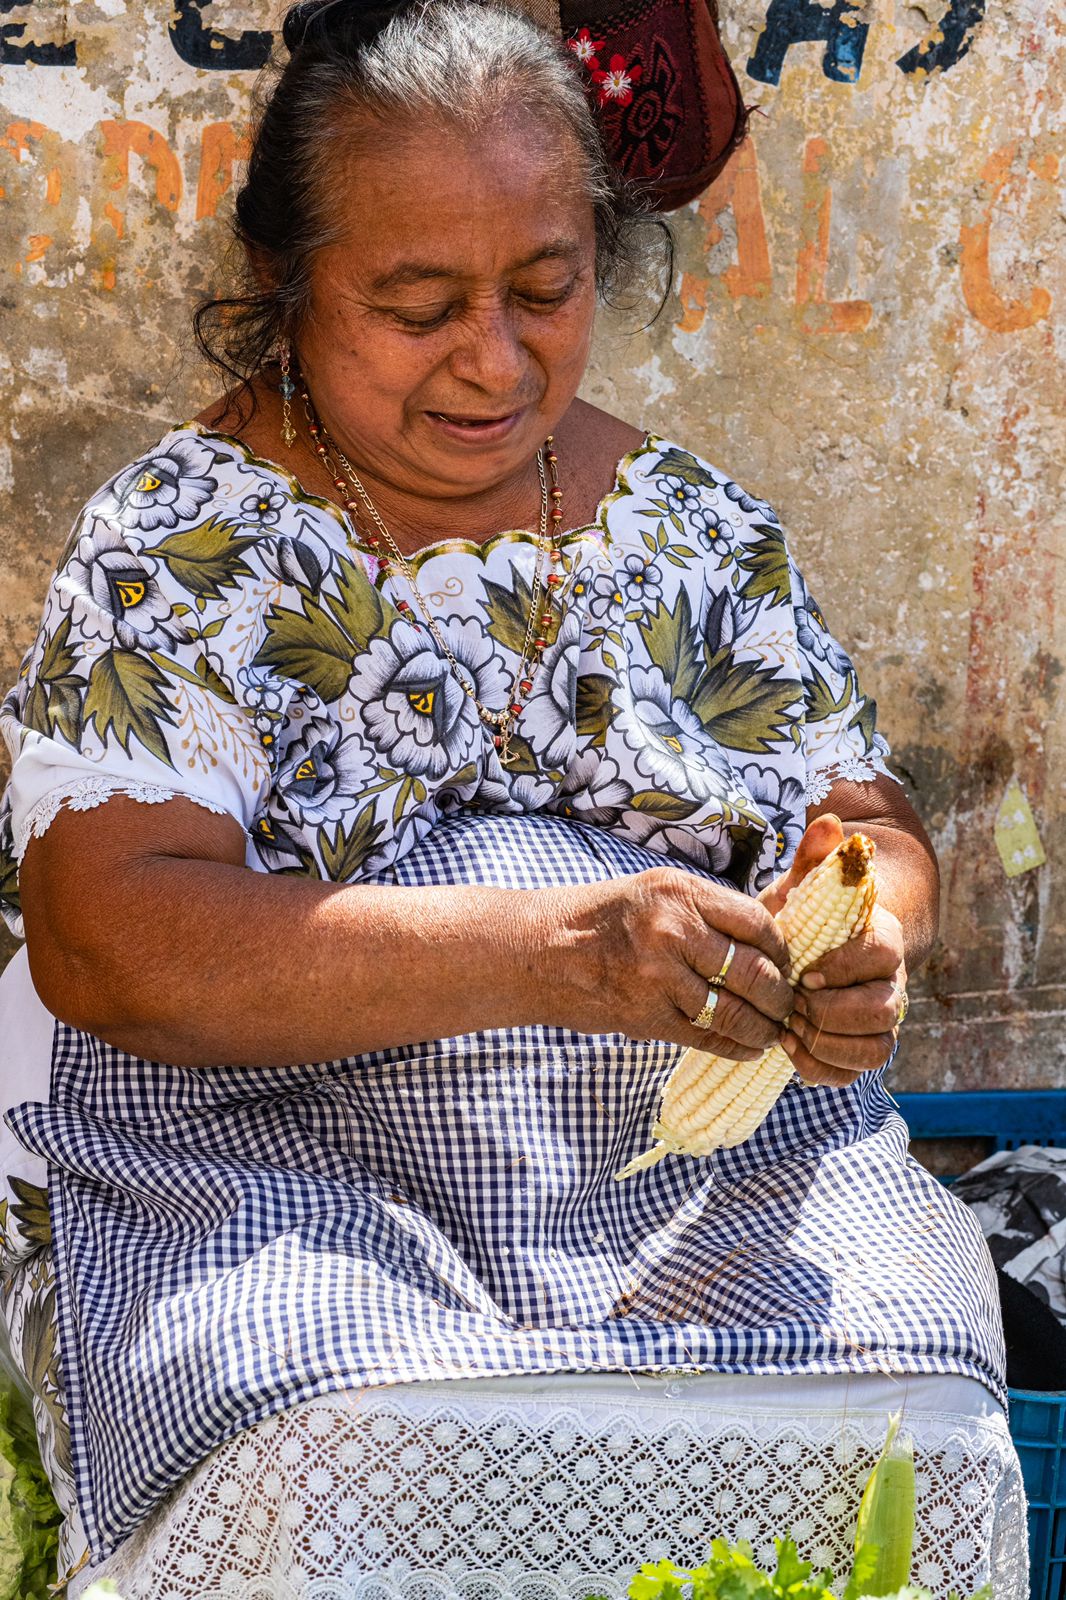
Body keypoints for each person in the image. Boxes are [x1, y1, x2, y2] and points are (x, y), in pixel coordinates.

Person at [0, 1, 1026, 1594]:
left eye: (542, 293)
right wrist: (551, 950)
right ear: (287, 287)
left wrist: (861, 930)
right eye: (416, 308)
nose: (494, 360)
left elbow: (865, 823)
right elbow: (107, 944)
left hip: (716, 1190)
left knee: (899, 1418)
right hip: (292, 1184)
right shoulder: (183, 547)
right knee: (362, 1453)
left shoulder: (694, 532)